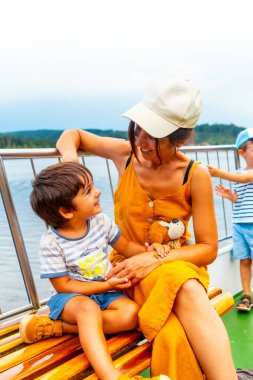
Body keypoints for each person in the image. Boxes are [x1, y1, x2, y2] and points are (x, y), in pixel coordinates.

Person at [55, 77, 237, 380]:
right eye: (138, 127)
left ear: (179, 138)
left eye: (154, 135)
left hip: (178, 266)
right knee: (174, 334)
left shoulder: (196, 175)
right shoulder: (126, 155)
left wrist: (154, 259)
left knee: (184, 290)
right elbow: (71, 135)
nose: (141, 140)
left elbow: (208, 249)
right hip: (126, 272)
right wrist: (71, 165)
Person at [19, 161, 170, 380]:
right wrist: (107, 285)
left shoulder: (99, 222)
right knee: (88, 310)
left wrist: (152, 252)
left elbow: (126, 247)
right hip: (71, 298)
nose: (98, 192)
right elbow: (64, 285)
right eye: (89, 191)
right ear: (66, 211)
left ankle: (58, 327)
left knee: (131, 315)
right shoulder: (51, 242)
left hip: (104, 293)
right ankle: (110, 376)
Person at [208, 127, 253, 312]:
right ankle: (247, 295)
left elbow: (246, 179)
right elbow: (239, 195)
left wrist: (219, 173)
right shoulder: (237, 173)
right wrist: (230, 196)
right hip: (239, 224)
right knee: (244, 260)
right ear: (242, 153)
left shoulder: (241, 175)